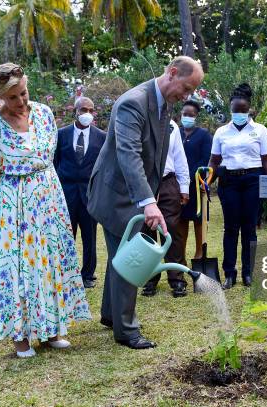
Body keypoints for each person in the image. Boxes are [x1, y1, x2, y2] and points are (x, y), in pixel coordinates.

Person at [87, 56, 204, 349]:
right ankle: (127, 331)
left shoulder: (165, 106)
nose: (186, 97)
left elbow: (157, 156)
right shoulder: (133, 103)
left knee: (120, 255)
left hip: (136, 194)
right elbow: (129, 154)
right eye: (187, 88)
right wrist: (148, 202)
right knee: (130, 257)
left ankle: (111, 315)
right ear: (172, 73)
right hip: (116, 194)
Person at [0, 63, 91, 358]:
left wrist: (38, 183)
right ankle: (21, 337)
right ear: (1, 96)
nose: (21, 101)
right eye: (13, 97)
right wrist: (16, 187)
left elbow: (49, 152)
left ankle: (52, 329)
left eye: (24, 93)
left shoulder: (42, 113)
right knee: (18, 267)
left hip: (48, 194)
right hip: (15, 201)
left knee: (50, 258)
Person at [208, 83, 267, 290]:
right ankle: (229, 273)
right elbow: (214, 161)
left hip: (252, 180)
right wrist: (206, 181)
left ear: (249, 110)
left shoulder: (260, 130)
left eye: (242, 111)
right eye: (235, 111)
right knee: (230, 228)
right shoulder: (221, 132)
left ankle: (248, 273)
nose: (238, 113)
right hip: (229, 182)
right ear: (231, 110)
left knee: (249, 229)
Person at [54, 96, 106, 289]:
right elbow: (54, 162)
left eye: (91, 110)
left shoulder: (101, 136)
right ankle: (67, 272)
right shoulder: (61, 134)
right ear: (75, 111)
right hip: (66, 193)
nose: (88, 114)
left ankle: (88, 275)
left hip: (89, 194)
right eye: (84, 110)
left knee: (89, 236)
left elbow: (104, 167)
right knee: (66, 235)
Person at [142, 120, 191, 298]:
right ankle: (149, 278)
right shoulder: (141, 121)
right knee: (146, 231)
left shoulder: (171, 125)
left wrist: (184, 187)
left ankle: (177, 279)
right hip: (144, 182)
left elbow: (179, 156)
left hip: (168, 181)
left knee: (171, 230)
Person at [177, 100, 212, 260]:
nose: (187, 117)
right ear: (180, 115)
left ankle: (199, 254)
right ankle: (181, 255)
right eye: (185, 114)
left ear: (196, 116)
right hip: (178, 186)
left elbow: (206, 159)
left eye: (191, 115)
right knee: (181, 220)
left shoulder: (204, 135)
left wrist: (190, 176)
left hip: (197, 185)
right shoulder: (175, 133)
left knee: (199, 219)